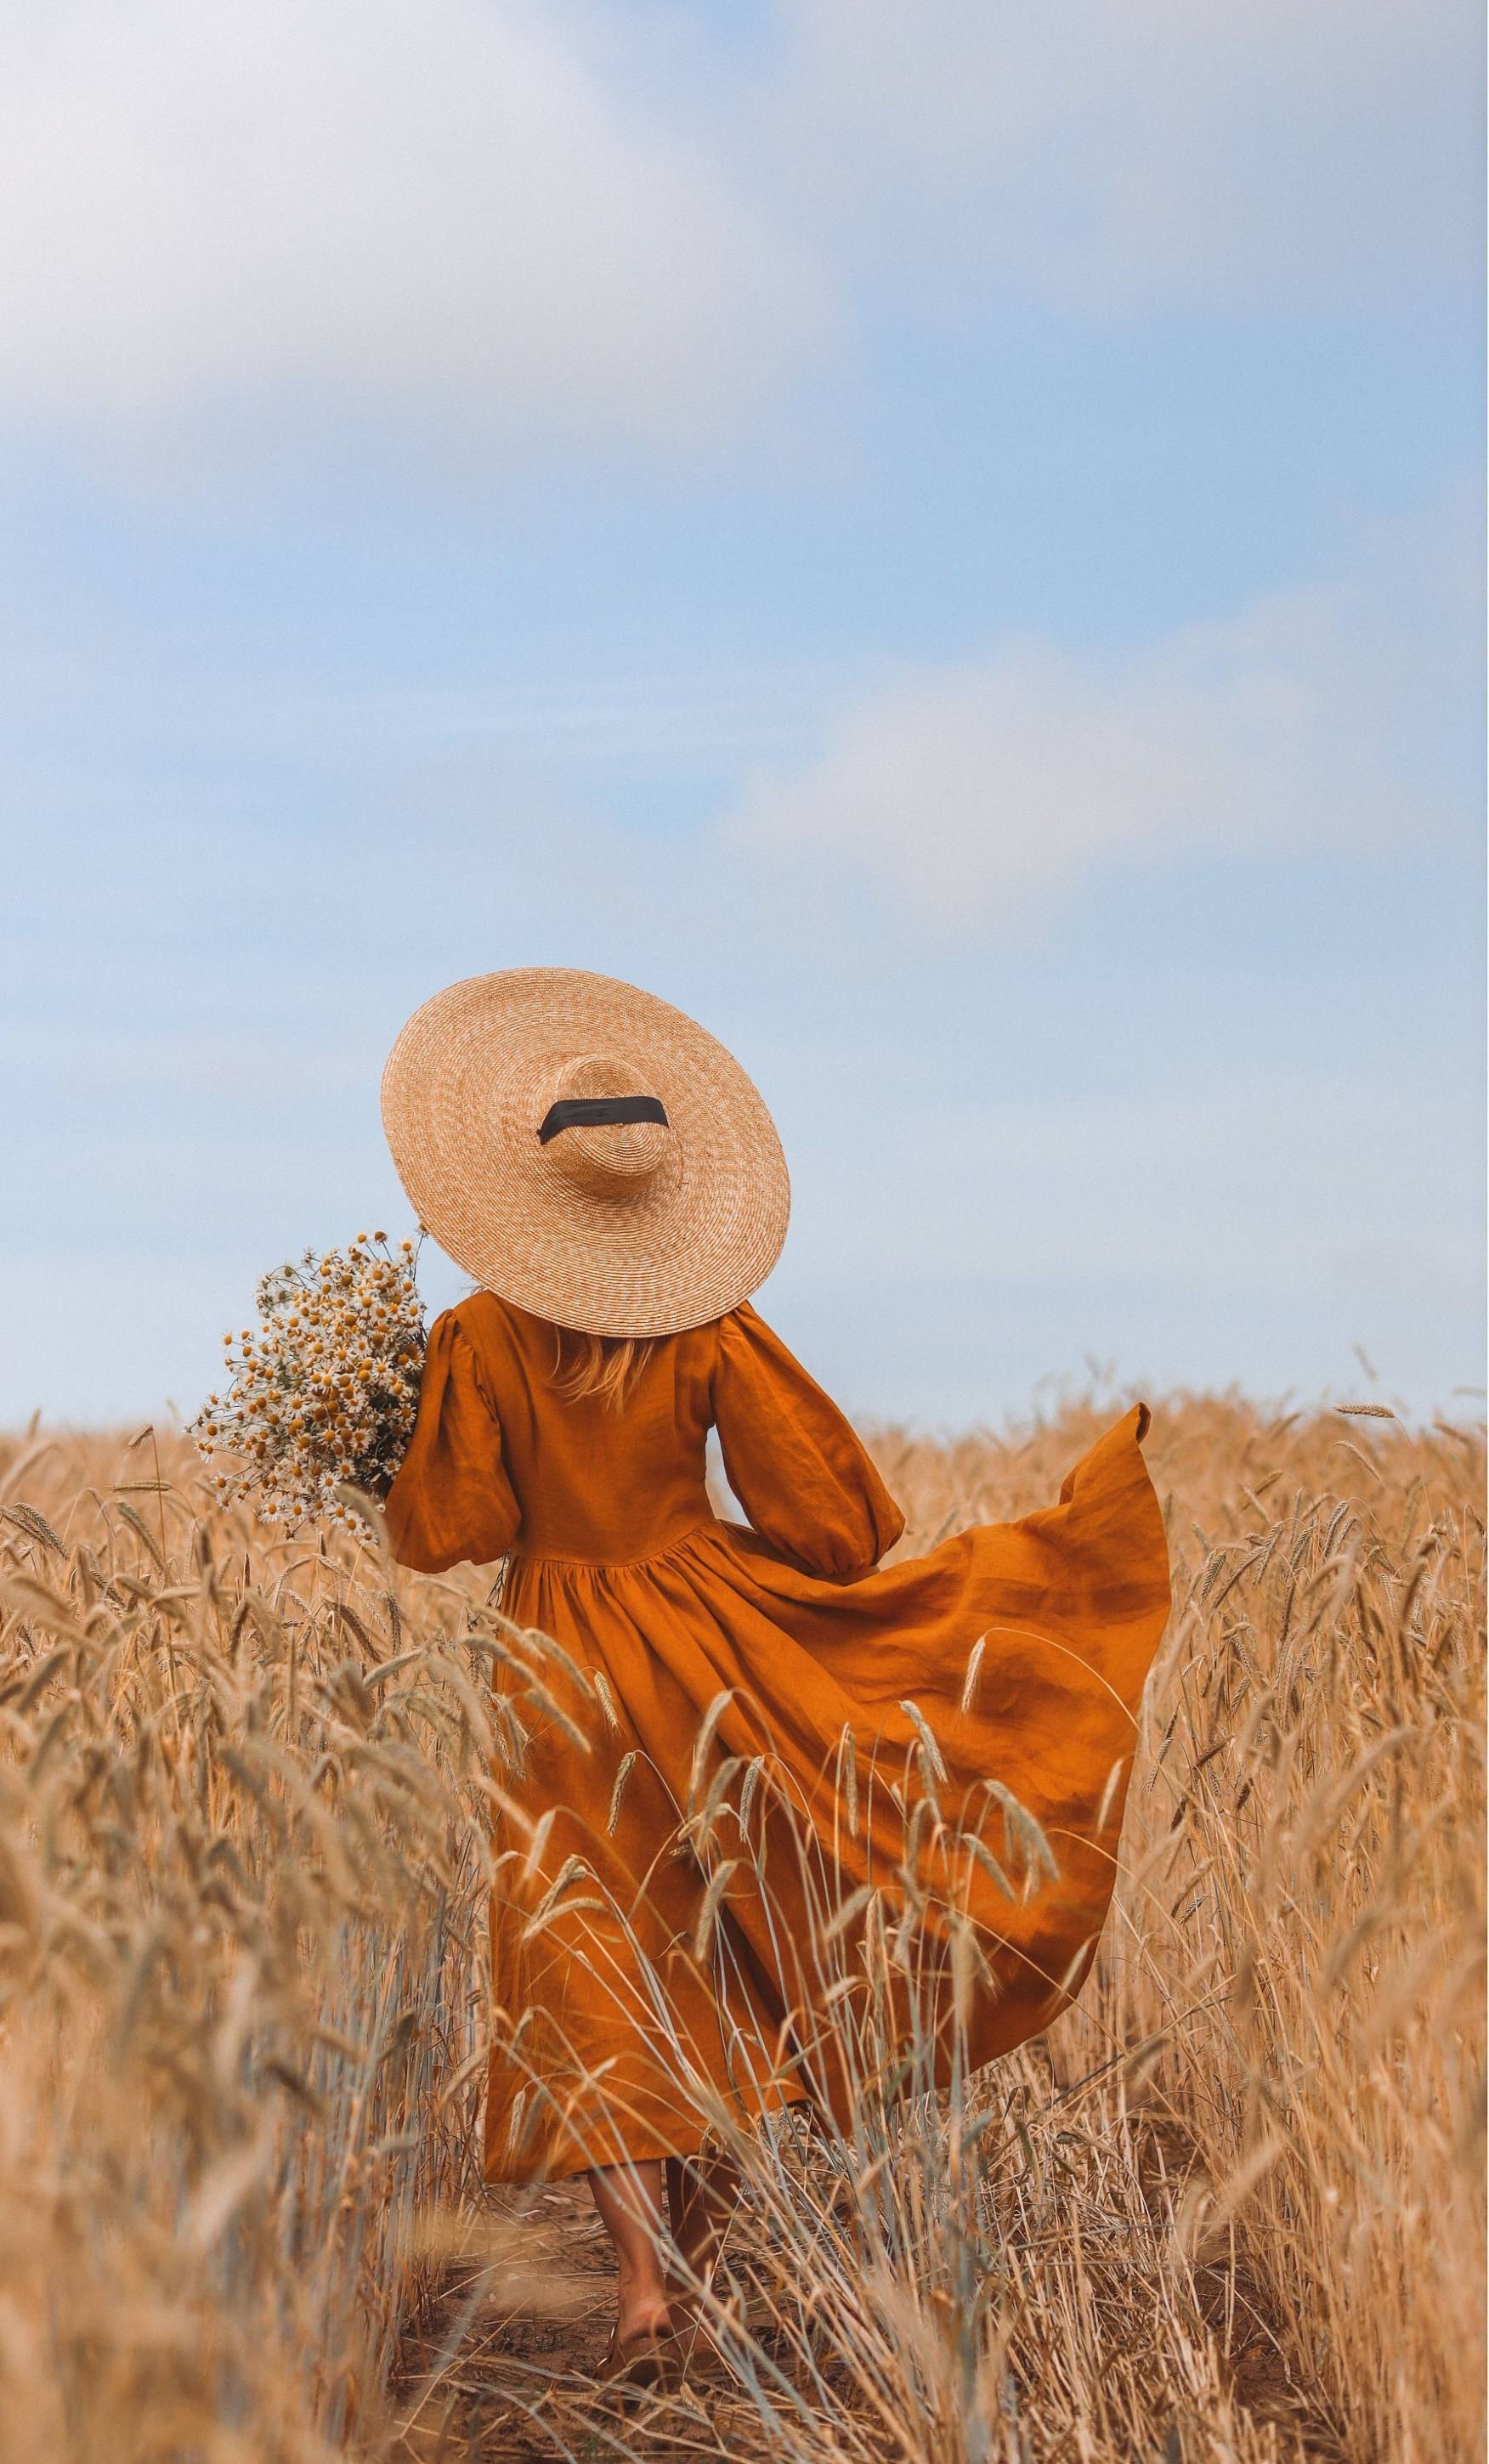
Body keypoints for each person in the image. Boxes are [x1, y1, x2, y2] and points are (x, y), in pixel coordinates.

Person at [380, 968, 1170, 2382]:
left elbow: (459, 1529)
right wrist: (721, 1553)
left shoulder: (480, 1336)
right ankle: (702, 2262)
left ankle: (633, 2287)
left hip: (553, 1665)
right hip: (710, 1647)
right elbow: (836, 1524)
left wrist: (394, 1434)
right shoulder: (711, 1325)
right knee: (736, 1944)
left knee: (586, 1966)